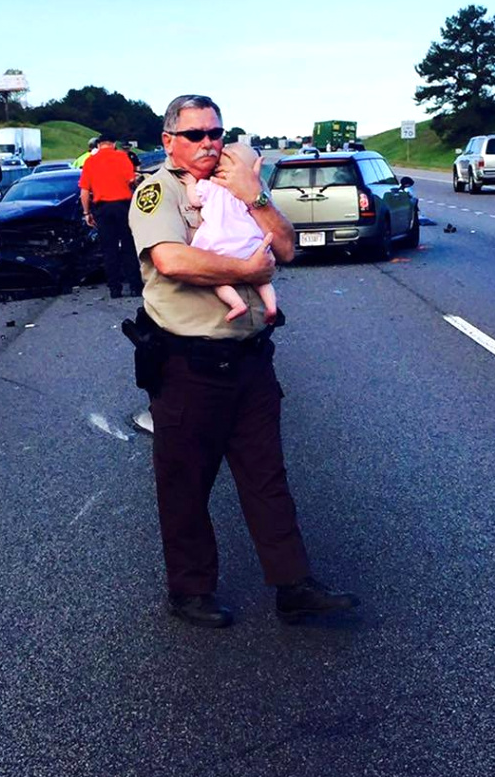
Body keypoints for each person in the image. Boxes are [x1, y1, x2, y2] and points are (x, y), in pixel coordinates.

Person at [128, 94, 360, 628]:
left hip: (252, 361)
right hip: (189, 367)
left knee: (266, 476)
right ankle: (189, 591)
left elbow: (286, 247)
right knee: (186, 484)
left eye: (216, 132)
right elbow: (170, 258)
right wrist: (247, 269)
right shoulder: (157, 192)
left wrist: (256, 197)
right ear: (169, 141)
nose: (209, 143)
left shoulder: (241, 185)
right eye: (195, 135)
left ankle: (293, 584)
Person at [184, 141, 277, 324]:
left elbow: (195, 200)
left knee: (217, 280)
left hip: (219, 243)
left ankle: (236, 304)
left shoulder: (210, 186)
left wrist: (189, 184)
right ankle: (272, 306)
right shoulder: (248, 188)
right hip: (249, 242)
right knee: (262, 280)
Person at [81, 134, 142, 298]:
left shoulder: (90, 162)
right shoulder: (122, 158)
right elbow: (132, 181)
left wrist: (87, 212)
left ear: (98, 145)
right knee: (129, 247)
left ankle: (115, 289)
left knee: (109, 250)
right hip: (123, 207)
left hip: (103, 209)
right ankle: (135, 286)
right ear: (114, 144)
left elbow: (85, 191)